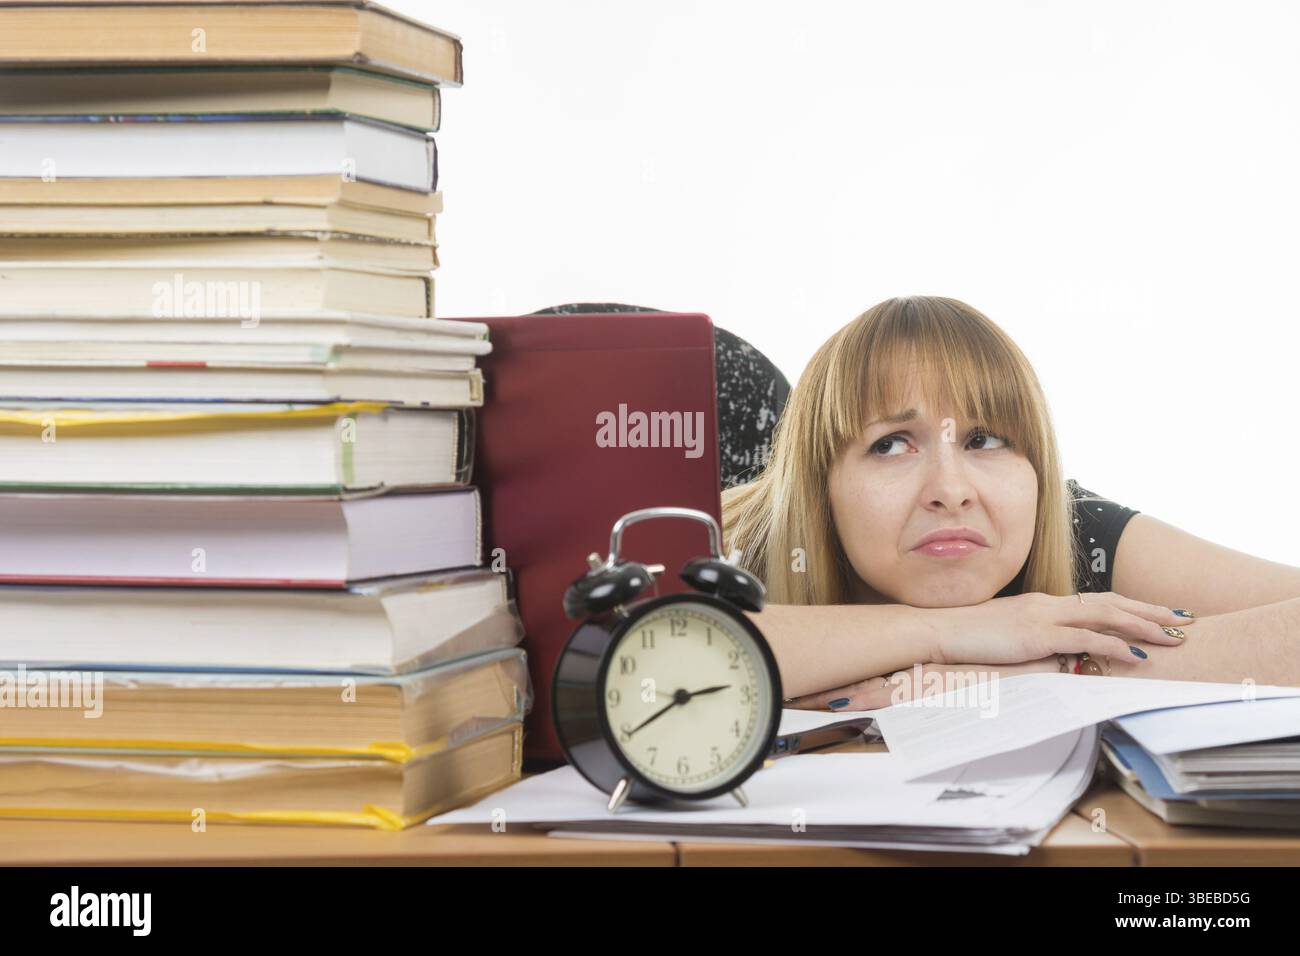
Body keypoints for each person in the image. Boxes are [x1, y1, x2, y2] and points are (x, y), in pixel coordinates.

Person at [721, 296, 1300, 709]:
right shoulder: (728, 539)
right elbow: (636, 654)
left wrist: (1059, 669)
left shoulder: (1077, 530)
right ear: (818, 486)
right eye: (891, 445)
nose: (951, 489)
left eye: (985, 440)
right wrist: (950, 633)